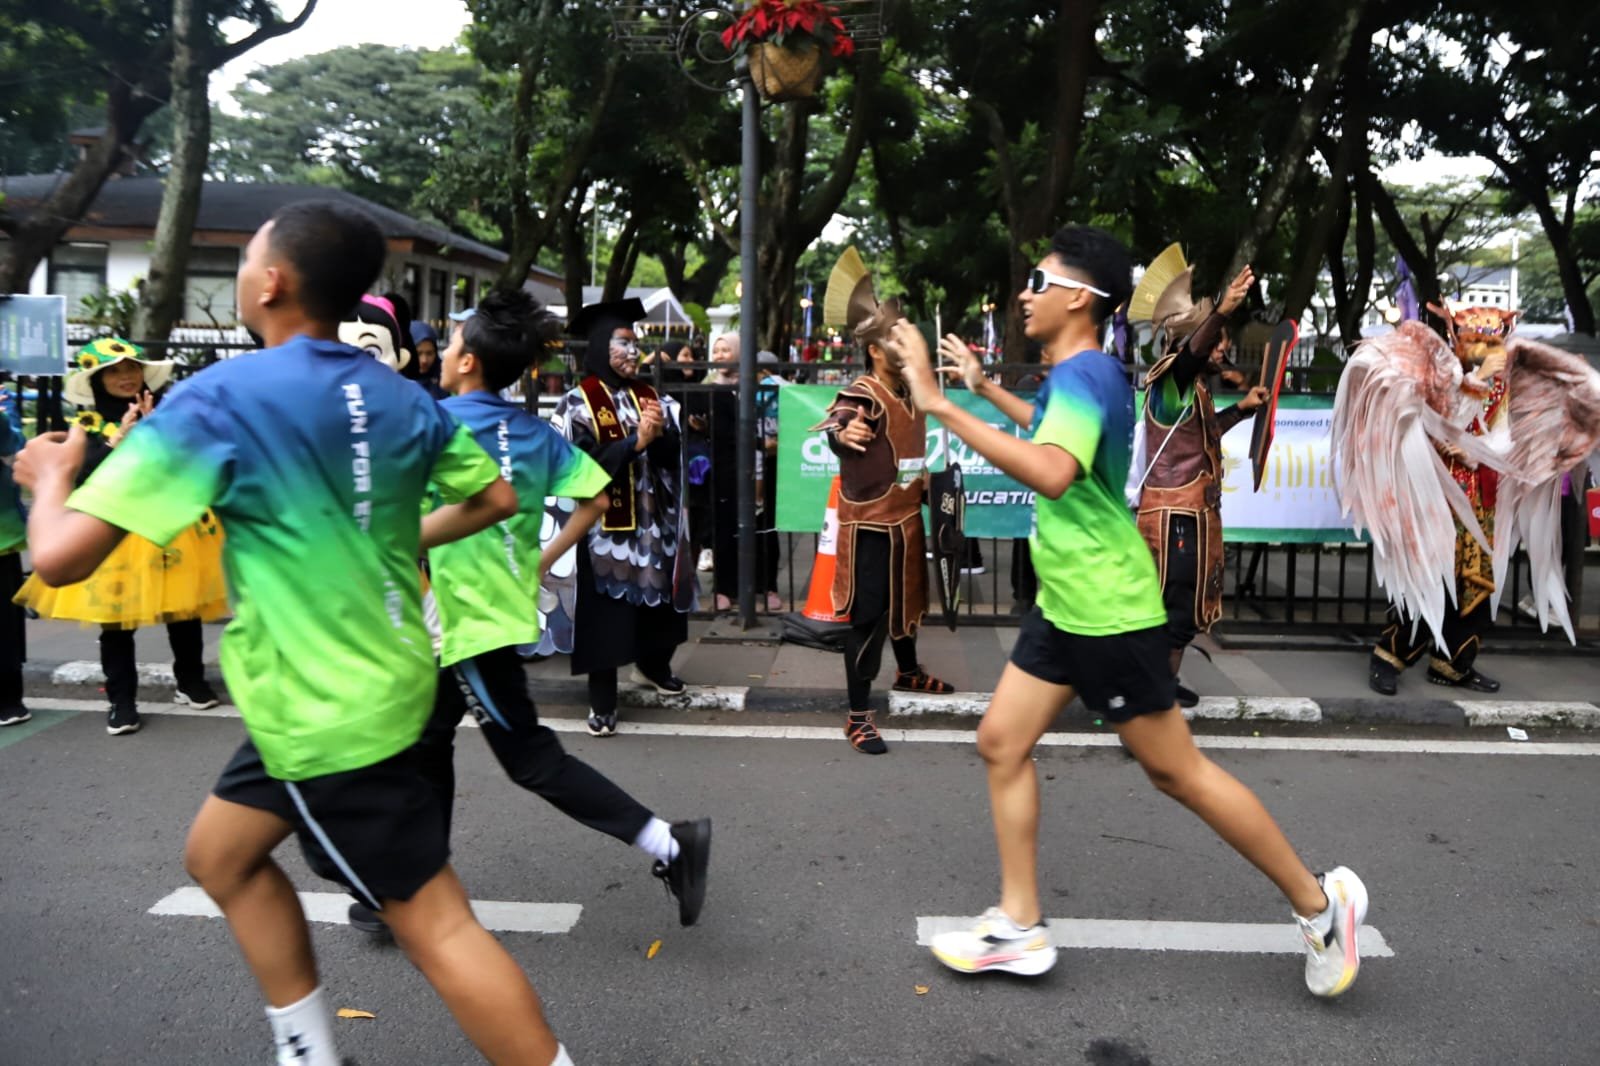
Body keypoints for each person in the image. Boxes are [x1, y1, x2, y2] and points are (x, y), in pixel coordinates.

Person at [15, 200, 577, 1065]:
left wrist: (50, 477)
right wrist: (386, 535)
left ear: (272, 281)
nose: (243, 271)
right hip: (354, 682)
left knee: (436, 924)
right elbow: (496, 499)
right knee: (221, 860)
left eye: (245, 258)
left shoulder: (217, 399)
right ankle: (308, 1052)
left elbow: (57, 560)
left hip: (323, 708)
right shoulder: (403, 397)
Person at [886, 225, 1367, 998]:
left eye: (1038, 282)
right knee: (1002, 742)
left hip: (1107, 607)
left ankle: (1321, 906)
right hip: (1068, 603)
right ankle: (1019, 925)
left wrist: (938, 402)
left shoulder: (1086, 374)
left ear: (1080, 298)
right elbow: (1050, 434)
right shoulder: (1085, 373)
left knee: (1177, 772)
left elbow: (1051, 470)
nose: (1024, 295)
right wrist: (979, 388)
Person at [348, 290, 711, 935]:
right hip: (486, 613)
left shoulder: (435, 424)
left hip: (460, 623)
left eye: (451, 345)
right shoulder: (532, 432)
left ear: (466, 363)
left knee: (531, 760)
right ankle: (404, 889)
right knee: (425, 746)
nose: (444, 354)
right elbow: (596, 501)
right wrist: (540, 561)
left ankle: (670, 843)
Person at [1333, 305, 1600, 695]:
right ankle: (1389, 658)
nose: (1483, 349)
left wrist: (1480, 450)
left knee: (1476, 585)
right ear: (1457, 340)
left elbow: (1505, 433)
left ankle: (1453, 664)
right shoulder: (1437, 373)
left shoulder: (1504, 383)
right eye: (1475, 340)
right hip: (1435, 495)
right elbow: (1436, 420)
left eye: (1492, 342)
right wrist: (1471, 392)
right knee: (1426, 578)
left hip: (1482, 497)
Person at [15, 337, 227, 735]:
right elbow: (80, 476)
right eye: (114, 371)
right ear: (97, 381)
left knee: (184, 613)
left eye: (132, 368)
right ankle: (121, 701)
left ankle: (191, 683)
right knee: (115, 623)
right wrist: (119, 440)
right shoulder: (86, 426)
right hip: (109, 534)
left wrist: (160, 432)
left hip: (170, 528)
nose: (126, 377)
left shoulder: (166, 413)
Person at [812, 248, 953, 756]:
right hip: (870, 527)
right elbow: (840, 420)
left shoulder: (912, 393)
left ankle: (908, 672)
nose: (906, 342)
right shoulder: (864, 392)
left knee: (906, 604)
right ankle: (857, 717)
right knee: (868, 619)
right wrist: (840, 434)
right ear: (875, 350)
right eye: (896, 337)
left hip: (906, 521)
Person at [1128, 252, 1268, 706]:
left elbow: (1201, 436)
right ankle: (1153, 694)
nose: (1222, 349)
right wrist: (1222, 309)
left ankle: (1158, 687)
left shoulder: (1194, 390)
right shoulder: (1173, 380)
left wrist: (1241, 410)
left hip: (1190, 516)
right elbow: (1189, 357)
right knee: (1173, 612)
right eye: (1216, 341)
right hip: (1174, 518)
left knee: (1182, 612)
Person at [552, 299, 693, 738]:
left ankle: (654, 666)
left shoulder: (653, 398)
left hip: (655, 525)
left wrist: (660, 436)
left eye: (636, 344)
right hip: (604, 531)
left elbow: (673, 456)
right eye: (625, 343)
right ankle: (603, 699)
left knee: (659, 606)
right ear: (599, 347)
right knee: (607, 615)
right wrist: (635, 443)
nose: (634, 352)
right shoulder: (577, 404)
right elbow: (580, 468)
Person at [0, 380, 28, 727]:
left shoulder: (2, 396)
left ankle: (8, 697)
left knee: (4, 624)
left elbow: (13, 445)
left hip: (1, 535)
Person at [409, 320, 448, 400]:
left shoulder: (445, 376)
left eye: (429, 353)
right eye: (418, 353)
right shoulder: (395, 378)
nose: (424, 360)